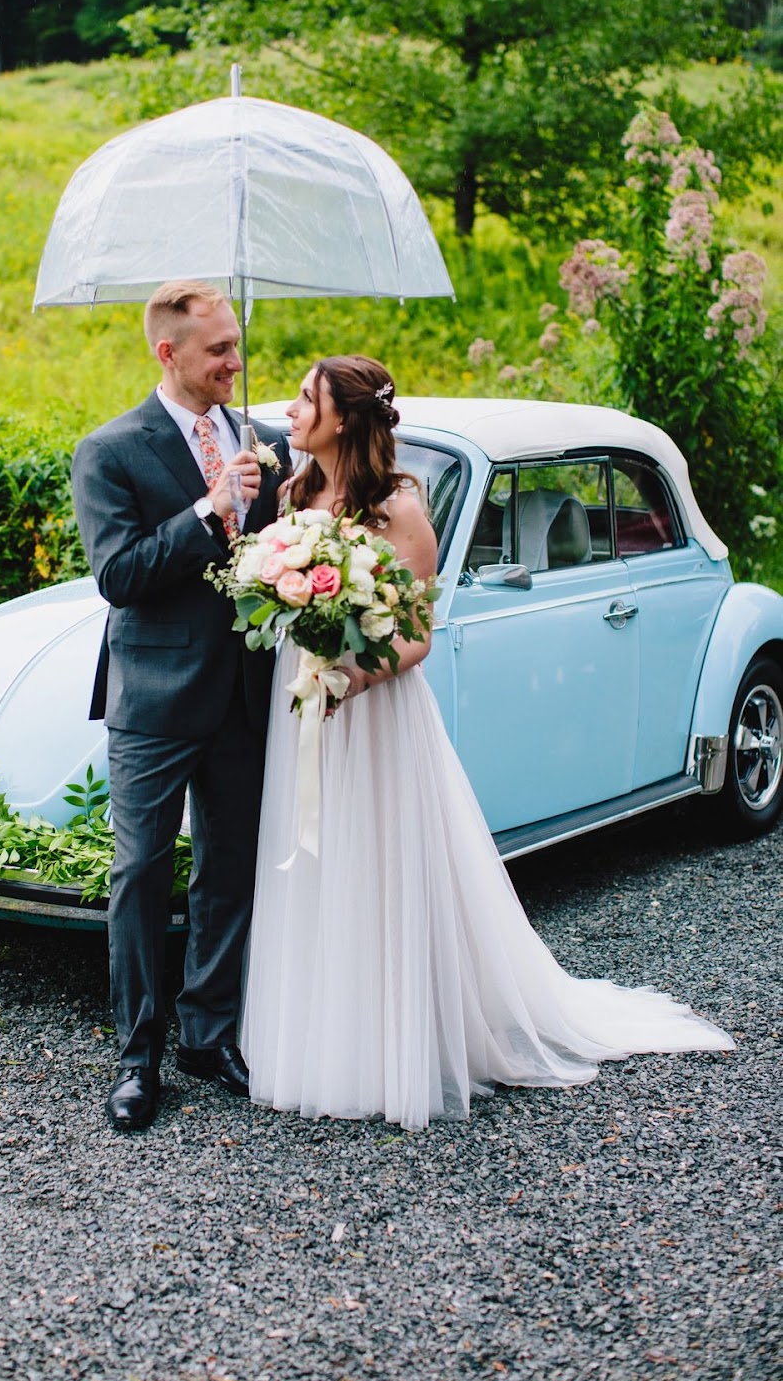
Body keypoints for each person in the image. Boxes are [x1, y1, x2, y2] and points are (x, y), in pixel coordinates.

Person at [240, 355, 734, 1129]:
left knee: (376, 867)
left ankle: (390, 1045)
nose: (293, 409)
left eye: (308, 398)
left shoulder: (399, 508)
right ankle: (315, 1038)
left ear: (346, 420)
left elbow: (415, 638)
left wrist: (349, 678)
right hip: (302, 704)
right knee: (314, 864)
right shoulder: (292, 492)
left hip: (369, 713)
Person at [72, 280, 290, 1132]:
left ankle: (209, 1034)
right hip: (156, 699)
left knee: (230, 867)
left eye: (236, 345)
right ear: (168, 354)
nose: (234, 362)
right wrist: (211, 508)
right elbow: (119, 576)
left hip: (244, 691)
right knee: (139, 874)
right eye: (218, 352)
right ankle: (137, 1057)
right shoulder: (111, 451)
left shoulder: (263, 441)